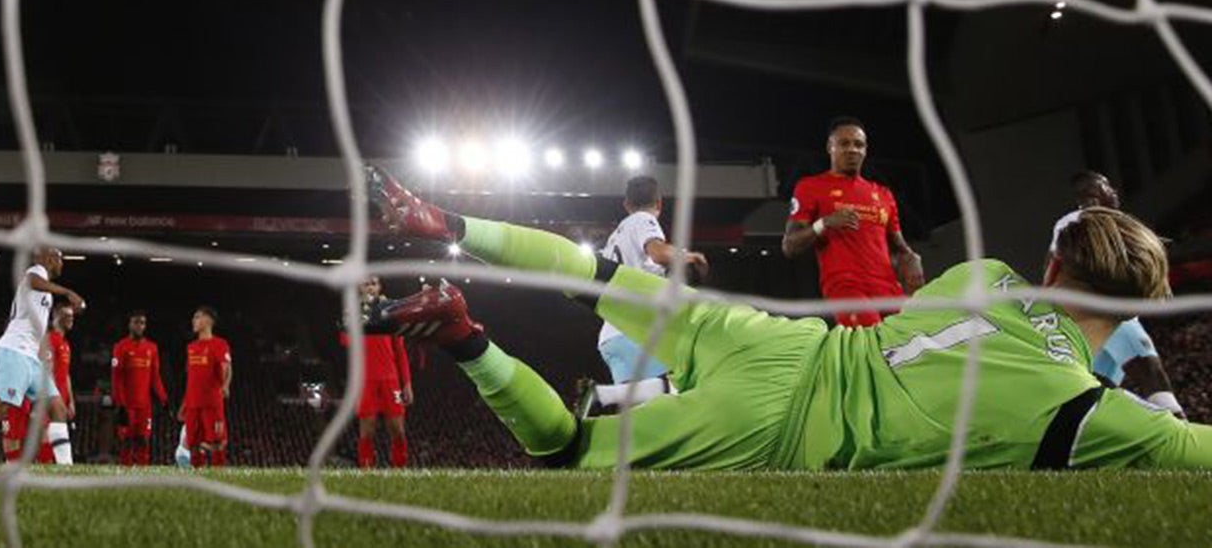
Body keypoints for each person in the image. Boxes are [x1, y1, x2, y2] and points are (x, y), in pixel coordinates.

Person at [367, 164, 1212, 470]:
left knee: (595, 274)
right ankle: (465, 337)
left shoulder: (984, 275)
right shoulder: (1093, 418)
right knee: (569, 451)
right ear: (1148, 308)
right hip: (785, 426)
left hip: (778, 340)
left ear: (1053, 265)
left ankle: (449, 225)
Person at [1052, 172, 1185, 418]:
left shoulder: (1119, 222)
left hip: (1100, 315)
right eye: (1106, 187)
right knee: (1150, 371)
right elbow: (1058, 268)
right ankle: (1183, 435)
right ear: (1091, 197)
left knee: (1099, 388)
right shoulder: (1076, 223)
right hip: (1102, 309)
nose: (1113, 191)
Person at [781, 117, 923, 325]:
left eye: (859, 144)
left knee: (909, 345)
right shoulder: (811, 187)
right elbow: (789, 246)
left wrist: (912, 258)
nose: (852, 150)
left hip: (888, 287)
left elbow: (899, 247)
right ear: (830, 147)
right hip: (846, 286)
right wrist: (824, 223)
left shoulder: (883, 194)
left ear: (865, 150)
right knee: (872, 345)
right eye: (844, 143)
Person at [0, 247, 83, 465]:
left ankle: (67, 468)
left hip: (31, 357)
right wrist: (66, 292)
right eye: (60, 259)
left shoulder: (45, 290)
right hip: (15, 351)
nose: (62, 264)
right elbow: (32, 281)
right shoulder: (35, 273)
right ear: (49, 259)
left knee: (58, 409)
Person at [598, 174, 707, 403]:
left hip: (612, 338)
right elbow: (658, 253)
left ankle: (603, 395)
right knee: (688, 381)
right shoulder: (642, 220)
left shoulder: (613, 239)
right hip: (637, 332)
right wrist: (689, 256)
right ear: (659, 202)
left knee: (641, 415)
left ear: (626, 204)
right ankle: (604, 394)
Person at [341, 276, 413, 467]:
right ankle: (367, 471)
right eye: (366, 284)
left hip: (391, 379)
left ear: (379, 287)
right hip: (365, 380)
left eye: (373, 283)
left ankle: (400, 469)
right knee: (367, 430)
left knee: (397, 429)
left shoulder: (390, 314)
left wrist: (406, 383)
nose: (370, 287)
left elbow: (400, 352)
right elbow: (346, 343)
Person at [7, 297, 78, 462]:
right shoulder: (49, 339)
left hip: (60, 400)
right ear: (55, 316)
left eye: (72, 316)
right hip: (49, 398)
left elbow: (66, 374)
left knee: (53, 441)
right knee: (45, 438)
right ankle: (42, 470)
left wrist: (71, 401)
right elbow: (46, 370)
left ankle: (47, 469)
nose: (70, 319)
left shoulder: (65, 344)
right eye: (66, 315)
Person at [109, 310, 168, 465]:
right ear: (130, 325)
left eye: (142, 323)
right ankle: (125, 471)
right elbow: (116, 377)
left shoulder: (152, 348)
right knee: (126, 441)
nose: (139, 326)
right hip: (127, 404)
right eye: (136, 322)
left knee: (143, 440)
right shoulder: (120, 347)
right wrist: (119, 403)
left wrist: (163, 398)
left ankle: (143, 472)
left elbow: (155, 377)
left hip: (144, 405)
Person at [177, 305, 232, 468]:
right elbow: (191, 378)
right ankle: (198, 477)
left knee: (217, 443)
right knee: (193, 444)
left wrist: (226, 385)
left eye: (197, 317)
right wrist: (184, 404)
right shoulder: (191, 347)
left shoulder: (220, 344)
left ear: (208, 320)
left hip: (211, 402)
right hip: (193, 404)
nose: (193, 321)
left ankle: (218, 477)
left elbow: (227, 367)